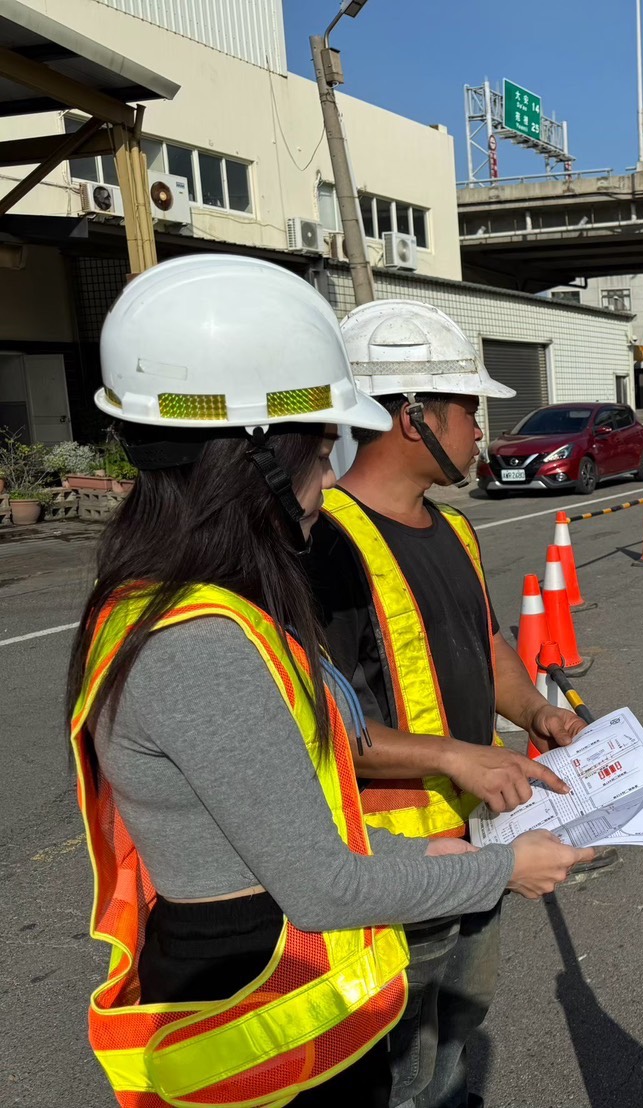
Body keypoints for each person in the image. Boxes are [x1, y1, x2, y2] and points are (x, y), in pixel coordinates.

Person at [65, 256, 593, 1107]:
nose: (325, 480)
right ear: (256, 462)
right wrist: (501, 869)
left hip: (257, 965)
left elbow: (279, 832)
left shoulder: (169, 608)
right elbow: (321, 884)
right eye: (317, 453)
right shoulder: (201, 642)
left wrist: (430, 849)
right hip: (252, 998)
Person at [304, 299, 604, 1108]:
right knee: (398, 1064)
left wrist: (538, 713)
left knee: (457, 1036)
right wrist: (451, 756)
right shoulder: (324, 545)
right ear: (413, 417)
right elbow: (315, 726)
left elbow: (487, 644)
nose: (479, 430)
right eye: (469, 410)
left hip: (481, 837)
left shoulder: (454, 530)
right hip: (392, 864)